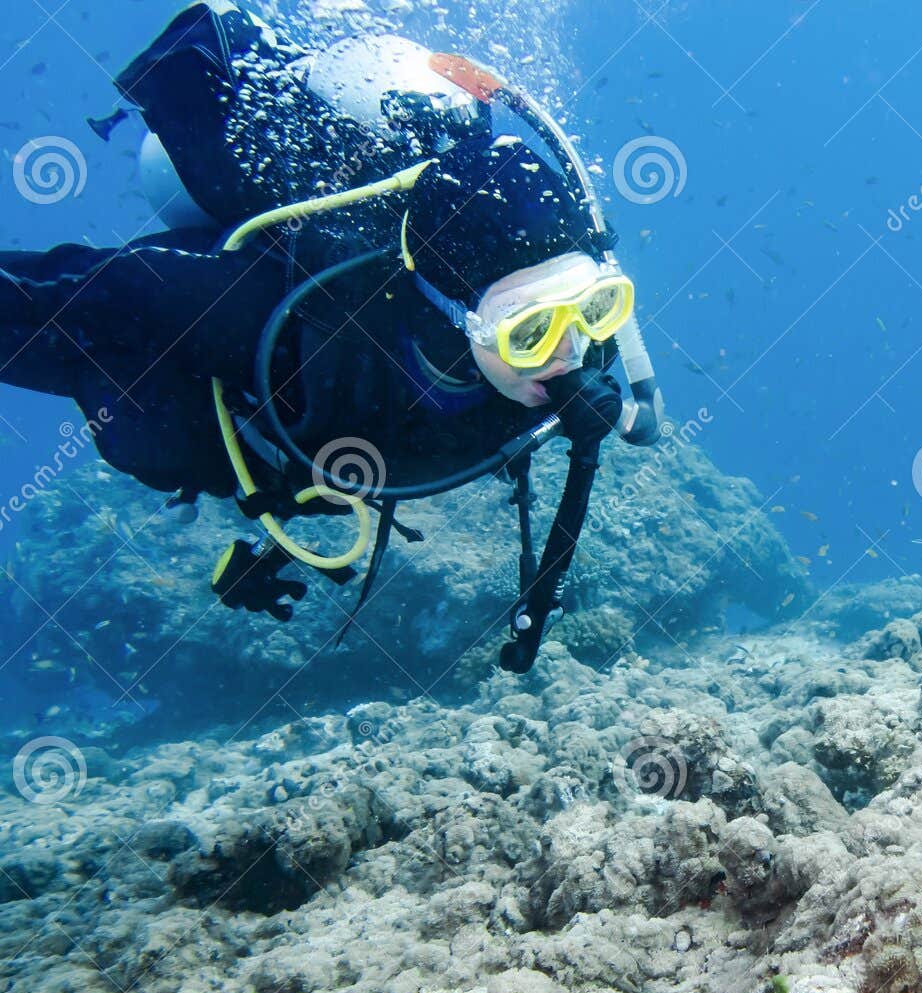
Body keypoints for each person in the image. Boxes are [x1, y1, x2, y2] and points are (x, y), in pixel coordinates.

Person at [0, 2, 664, 674]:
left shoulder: (576, 338)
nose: (570, 351)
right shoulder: (278, 321)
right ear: (444, 309)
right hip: (222, 405)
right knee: (152, 431)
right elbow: (64, 293)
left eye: (595, 308)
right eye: (528, 331)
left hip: (331, 459)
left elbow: (401, 437)